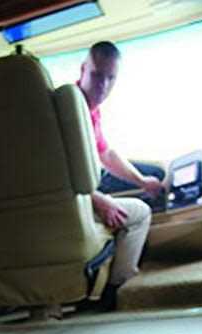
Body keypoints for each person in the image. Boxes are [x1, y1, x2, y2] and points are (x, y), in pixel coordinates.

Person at [76, 41, 165, 311]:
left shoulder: (89, 110)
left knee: (130, 200)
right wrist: (98, 199)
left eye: (110, 78)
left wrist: (141, 181)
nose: (103, 86)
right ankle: (117, 291)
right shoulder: (71, 108)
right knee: (140, 213)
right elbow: (54, 169)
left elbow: (106, 153)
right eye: (96, 75)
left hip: (74, 198)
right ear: (83, 69)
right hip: (72, 202)